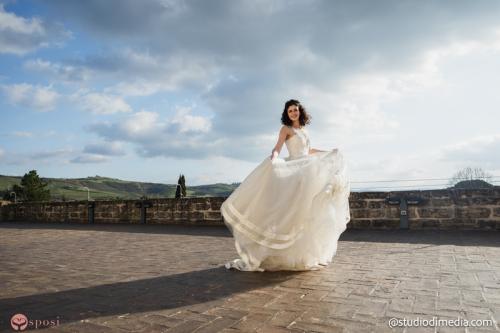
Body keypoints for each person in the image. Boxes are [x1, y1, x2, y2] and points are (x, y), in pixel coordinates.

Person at [220, 99, 351, 271]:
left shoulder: (304, 130)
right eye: (290, 111)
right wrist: (274, 157)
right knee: (291, 212)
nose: (293, 113)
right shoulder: (286, 129)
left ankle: (303, 256)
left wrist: (328, 152)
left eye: (295, 110)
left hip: (307, 170)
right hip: (295, 171)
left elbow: (309, 151)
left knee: (307, 211)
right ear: (287, 114)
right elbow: (278, 147)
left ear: (300, 111)